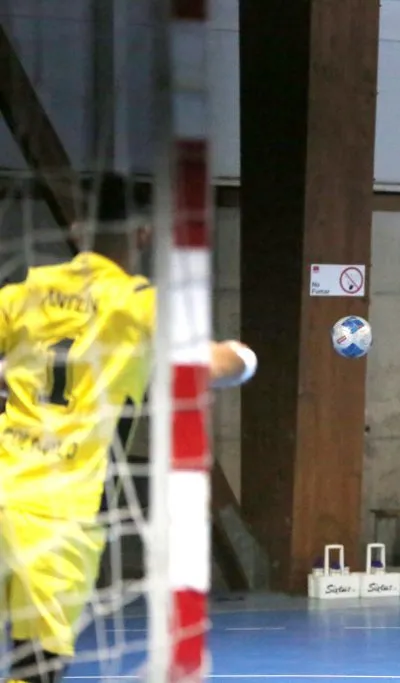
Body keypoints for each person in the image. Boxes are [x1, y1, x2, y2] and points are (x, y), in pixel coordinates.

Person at [0, 173, 258, 683]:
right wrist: (245, 357)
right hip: (54, 511)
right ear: (144, 234)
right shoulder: (139, 304)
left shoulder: (24, 290)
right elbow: (208, 364)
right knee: (36, 668)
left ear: (77, 229)